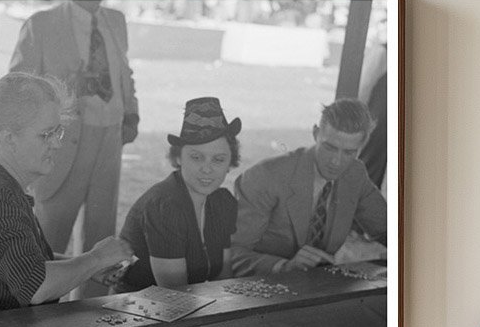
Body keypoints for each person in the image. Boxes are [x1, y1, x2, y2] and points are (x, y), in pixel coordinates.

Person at [0, 72, 133, 318]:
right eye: (46, 135)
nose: (57, 144)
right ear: (9, 138)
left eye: (58, 132)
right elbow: (36, 286)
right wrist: (95, 259)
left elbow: (22, 260)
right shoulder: (0, 198)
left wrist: (86, 267)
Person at [9, 0, 139, 256]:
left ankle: (96, 286)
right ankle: (44, 283)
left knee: (101, 237)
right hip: (62, 141)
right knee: (49, 238)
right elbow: (16, 89)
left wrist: (131, 113)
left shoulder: (116, 20)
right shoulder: (40, 24)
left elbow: (125, 72)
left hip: (111, 138)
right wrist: (66, 87)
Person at [230, 98, 387, 276]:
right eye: (329, 148)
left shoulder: (355, 174)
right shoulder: (265, 176)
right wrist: (283, 266)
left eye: (349, 152)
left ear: (361, 146)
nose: (336, 162)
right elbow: (231, 254)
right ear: (315, 133)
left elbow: (389, 230)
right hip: (261, 285)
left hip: (319, 286)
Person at [119, 97, 241, 291]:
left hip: (191, 302)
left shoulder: (223, 202)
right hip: (139, 305)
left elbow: (223, 280)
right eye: (196, 157)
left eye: (218, 159)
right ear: (178, 158)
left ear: (230, 163)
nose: (207, 169)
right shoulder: (165, 206)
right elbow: (174, 293)